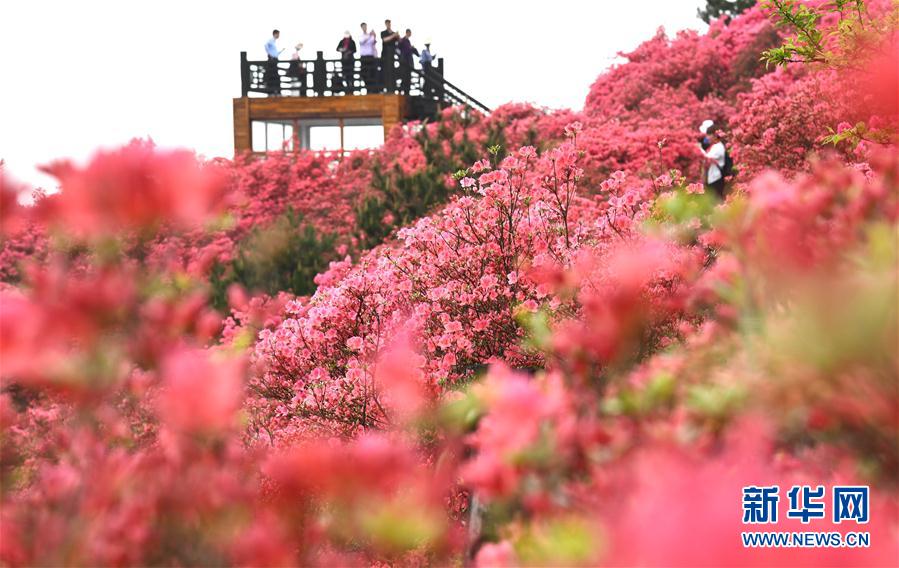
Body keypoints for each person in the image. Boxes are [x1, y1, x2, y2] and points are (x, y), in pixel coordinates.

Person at [698, 120, 728, 198]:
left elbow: (707, 158)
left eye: (708, 135)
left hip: (716, 178)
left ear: (714, 135)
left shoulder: (718, 147)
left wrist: (699, 148)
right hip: (713, 178)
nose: (707, 137)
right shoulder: (715, 146)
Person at [380, 19, 400, 92]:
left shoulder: (393, 33)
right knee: (385, 71)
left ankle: (392, 88)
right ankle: (386, 87)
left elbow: (399, 41)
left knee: (392, 72)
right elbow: (385, 40)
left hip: (392, 56)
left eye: (389, 23)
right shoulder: (383, 33)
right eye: (387, 23)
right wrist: (393, 35)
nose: (388, 25)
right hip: (385, 55)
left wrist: (397, 36)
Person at [397, 29, 419, 94]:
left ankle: (407, 91)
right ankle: (401, 91)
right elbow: (398, 49)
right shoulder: (402, 40)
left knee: (408, 78)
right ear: (407, 33)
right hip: (404, 62)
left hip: (408, 63)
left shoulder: (408, 41)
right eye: (409, 33)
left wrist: (411, 48)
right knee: (404, 77)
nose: (410, 34)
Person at [359, 22, 378, 92]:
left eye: (365, 26)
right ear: (361, 27)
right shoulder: (361, 36)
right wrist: (370, 35)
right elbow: (362, 42)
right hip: (364, 57)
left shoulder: (371, 35)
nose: (365, 28)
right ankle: (367, 87)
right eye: (363, 26)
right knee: (364, 73)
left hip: (371, 56)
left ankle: (371, 88)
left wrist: (374, 36)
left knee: (372, 73)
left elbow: (373, 43)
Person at [264, 29, 284, 95]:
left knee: (274, 75)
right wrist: (269, 54)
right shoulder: (271, 40)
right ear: (275, 34)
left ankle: (274, 90)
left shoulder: (274, 42)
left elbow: (275, 53)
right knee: (273, 75)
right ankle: (273, 91)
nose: (279, 35)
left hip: (274, 59)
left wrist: (280, 51)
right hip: (272, 60)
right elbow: (265, 45)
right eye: (278, 34)